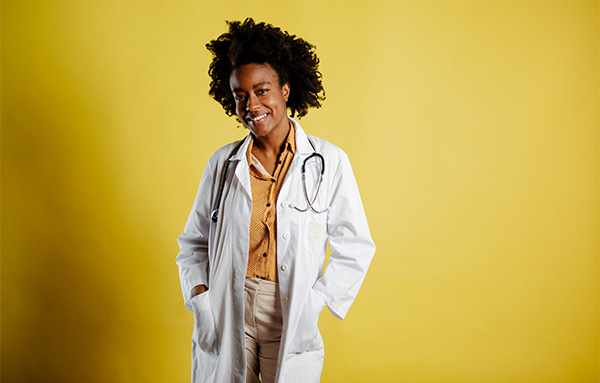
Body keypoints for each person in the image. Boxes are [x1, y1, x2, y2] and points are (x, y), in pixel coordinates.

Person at [176, 18, 375, 383]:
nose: (252, 104)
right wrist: (201, 300)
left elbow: (356, 246)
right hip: (228, 305)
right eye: (240, 95)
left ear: (285, 90)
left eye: (262, 90)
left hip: (288, 307)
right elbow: (192, 244)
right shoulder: (223, 164)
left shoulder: (328, 162)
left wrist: (314, 303)